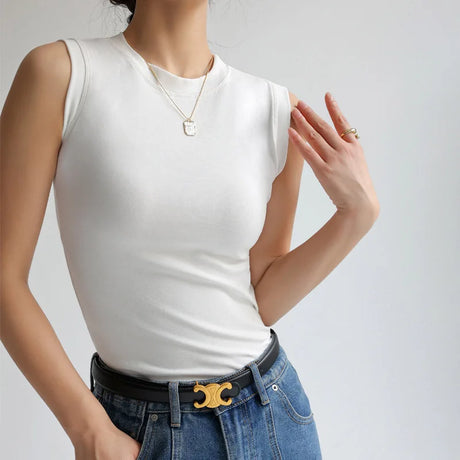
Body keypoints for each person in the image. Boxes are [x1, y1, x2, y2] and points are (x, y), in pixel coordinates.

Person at [0, 0, 379, 459]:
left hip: (273, 417)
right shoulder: (62, 75)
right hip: (142, 432)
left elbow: (262, 297)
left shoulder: (275, 108)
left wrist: (355, 216)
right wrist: (89, 431)